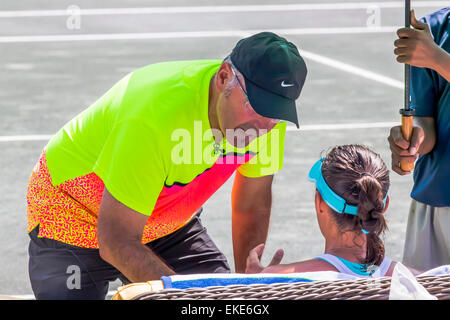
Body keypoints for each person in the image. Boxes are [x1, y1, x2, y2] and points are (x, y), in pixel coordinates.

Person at [26, 32, 308, 299]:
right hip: (73, 215)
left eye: (275, 116)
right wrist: (183, 299)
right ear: (224, 77)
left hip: (164, 219)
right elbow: (116, 240)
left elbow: (252, 203)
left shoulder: (268, 120)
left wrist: (247, 282)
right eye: (256, 107)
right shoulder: (153, 115)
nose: (262, 127)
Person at [245, 144, 422, 277]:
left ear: (319, 202)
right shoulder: (418, 281)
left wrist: (253, 284)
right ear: (384, 205)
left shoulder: (278, 279)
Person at [388, 8, 450, 271]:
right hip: (436, 199)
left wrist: (437, 59)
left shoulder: (430, 47)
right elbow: (426, 121)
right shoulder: (433, 29)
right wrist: (413, 141)